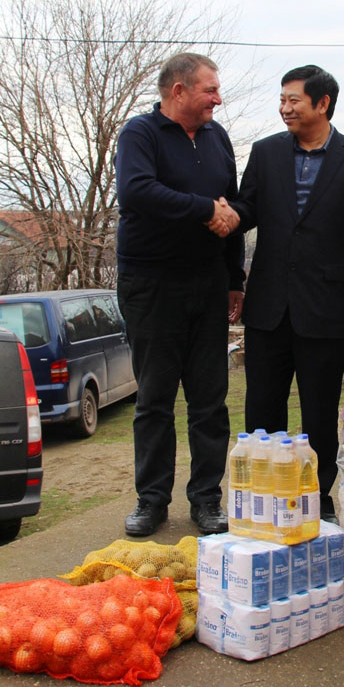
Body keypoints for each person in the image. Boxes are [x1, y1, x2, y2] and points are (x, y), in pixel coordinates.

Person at [219, 65, 344, 523]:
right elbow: (248, 208)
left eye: (294, 100)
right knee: (261, 407)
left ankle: (317, 495)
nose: (284, 108)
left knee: (319, 410)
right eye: (282, 100)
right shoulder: (266, 152)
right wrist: (226, 215)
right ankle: (264, 494)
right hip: (268, 303)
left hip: (326, 306)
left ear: (322, 103)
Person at [114, 52, 245, 537]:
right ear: (178, 91)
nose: (217, 98)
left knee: (210, 399)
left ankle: (206, 499)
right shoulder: (140, 134)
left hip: (207, 283)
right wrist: (204, 209)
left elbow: (230, 210)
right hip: (151, 284)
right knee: (155, 398)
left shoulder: (217, 137)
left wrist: (235, 278)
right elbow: (137, 192)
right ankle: (151, 502)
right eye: (210, 90)